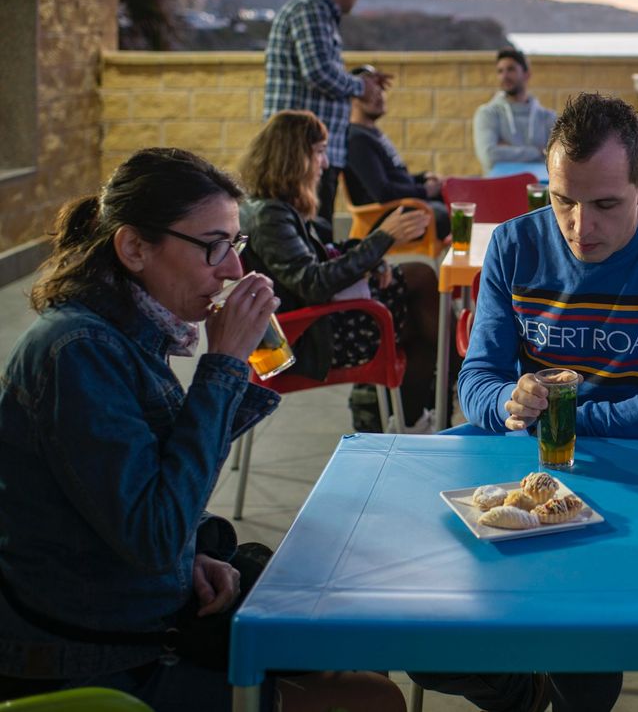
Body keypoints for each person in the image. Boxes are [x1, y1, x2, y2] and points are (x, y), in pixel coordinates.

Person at [0, 149, 405, 711]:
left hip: (134, 606)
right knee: (371, 698)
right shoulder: (79, 352)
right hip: (92, 654)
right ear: (135, 248)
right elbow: (153, 534)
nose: (234, 269)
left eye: (235, 244)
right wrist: (225, 367)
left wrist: (194, 551)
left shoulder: (126, 333)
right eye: (214, 246)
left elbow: (132, 502)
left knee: (348, 629)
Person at [459, 92, 638, 439]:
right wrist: (509, 401)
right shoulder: (512, 245)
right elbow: (477, 379)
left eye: (605, 204)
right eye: (563, 200)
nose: (580, 225)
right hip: (542, 454)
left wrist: (566, 421)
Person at [237, 110, 442, 431]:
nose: (326, 163)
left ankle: (413, 414)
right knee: (425, 303)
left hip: (318, 321)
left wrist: (373, 258)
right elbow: (314, 283)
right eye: (319, 152)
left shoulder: (270, 206)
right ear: (294, 157)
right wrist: (382, 238)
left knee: (423, 301)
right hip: (308, 337)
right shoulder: (270, 216)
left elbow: (323, 256)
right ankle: (428, 410)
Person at [264, 0, 391, 235]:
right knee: (309, 235)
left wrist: (359, 80)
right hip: (301, 150)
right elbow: (319, 72)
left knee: (316, 233)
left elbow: (322, 73)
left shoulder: (318, 13)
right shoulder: (311, 10)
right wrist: (362, 88)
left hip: (313, 151)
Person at [346, 64, 451, 239]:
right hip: (384, 215)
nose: (379, 94)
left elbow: (395, 177)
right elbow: (382, 192)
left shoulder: (373, 134)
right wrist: (424, 191)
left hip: (406, 203)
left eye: (380, 88)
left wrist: (424, 177)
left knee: (460, 197)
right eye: (371, 90)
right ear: (352, 98)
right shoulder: (357, 139)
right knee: (451, 213)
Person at [472, 48, 557, 173]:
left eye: (511, 69)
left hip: (539, 189)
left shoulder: (548, 117)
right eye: (500, 71)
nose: (504, 76)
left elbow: (557, 159)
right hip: (499, 188)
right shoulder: (487, 114)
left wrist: (507, 150)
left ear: (526, 74)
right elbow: (489, 156)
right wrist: (538, 151)